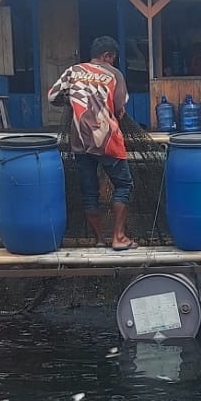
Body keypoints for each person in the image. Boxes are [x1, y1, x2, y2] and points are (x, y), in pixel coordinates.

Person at [47, 35, 133, 250]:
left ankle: (100, 239)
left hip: (79, 142)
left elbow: (52, 97)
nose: (112, 62)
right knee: (123, 184)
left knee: (89, 191)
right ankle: (119, 237)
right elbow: (119, 105)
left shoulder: (73, 71)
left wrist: (72, 101)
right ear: (107, 56)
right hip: (106, 140)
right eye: (112, 58)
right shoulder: (114, 74)